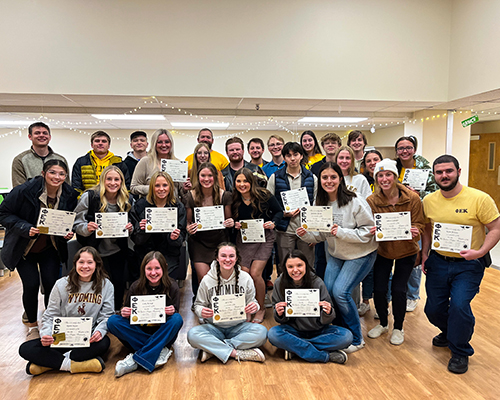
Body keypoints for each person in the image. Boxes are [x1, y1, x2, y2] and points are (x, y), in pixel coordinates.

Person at [422, 155, 500, 374]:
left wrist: (481, 251)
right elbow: (428, 228)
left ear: (458, 171)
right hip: (438, 261)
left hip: (468, 264)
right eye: (439, 172)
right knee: (433, 309)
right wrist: (425, 253)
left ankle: (460, 351)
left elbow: (495, 228)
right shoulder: (429, 201)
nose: (444, 176)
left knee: (458, 306)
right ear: (434, 175)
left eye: (448, 171)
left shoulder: (479, 199)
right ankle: (450, 332)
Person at [296, 162, 377, 353]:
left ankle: (357, 339)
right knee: (329, 291)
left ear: (340, 179)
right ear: (320, 180)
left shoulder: (355, 200)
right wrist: (304, 234)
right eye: (325, 177)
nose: (329, 181)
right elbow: (321, 235)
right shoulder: (320, 203)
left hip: (361, 252)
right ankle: (341, 331)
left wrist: (340, 232)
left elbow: (368, 232)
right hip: (336, 253)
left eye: (333, 177)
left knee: (341, 292)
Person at [0, 160, 77, 340]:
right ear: (43, 173)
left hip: (50, 247)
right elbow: (3, 213)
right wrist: (24, 227)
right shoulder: (24, 191)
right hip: (24, 248)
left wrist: (67, 232)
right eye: (52, 172)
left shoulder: (69, 194)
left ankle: (50, 324)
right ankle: (33, 326)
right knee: (31, 284)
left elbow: (68, 218)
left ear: (66, 177)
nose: (57, 177)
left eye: (61, 174)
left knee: (52, 286)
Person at [19, 246, 114, 375]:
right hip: (61, 336)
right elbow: (50, 314)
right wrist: (46, 334)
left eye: (90, 262)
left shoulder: (106, 285)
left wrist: (99, 331)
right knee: (25, 349)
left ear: (97, 265)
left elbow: (107, 315)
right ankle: (75, 365)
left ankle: (49, 364)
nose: (85, 266)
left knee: (104, 343)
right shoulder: (61, 284)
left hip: (87, 337)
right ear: (75, 264)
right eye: (81, 262)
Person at [366, 159, 425, 345]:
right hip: (383, 251)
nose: (384, 179)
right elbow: (368, 225)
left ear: (395, 176)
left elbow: (420, 224)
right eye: (380, 175)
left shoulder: (412, 198)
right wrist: (372, 231)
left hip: (406, 251)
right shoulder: (372, 201)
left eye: (388, 175)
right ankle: (383, 323)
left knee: (399, 290)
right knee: (379, 289)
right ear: (376, 178)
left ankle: (398, 327)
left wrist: (415, 232)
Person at [187, 243, 268, 363]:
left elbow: (253, 302)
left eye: (231, 256)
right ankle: (236, 353)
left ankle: (214, 350)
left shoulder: (245, 278)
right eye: (223, 256)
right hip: (214, 327)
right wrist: (201, 311)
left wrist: (254, 307)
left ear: (236, 258)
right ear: (217, 258)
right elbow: (198, 305)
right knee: (192, 334)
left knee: (262, 332)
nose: (227, 259)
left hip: (239, 326)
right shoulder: (207, 280)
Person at [107, 251, 183, 377]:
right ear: (143, 269)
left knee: (177, 319)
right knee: (113, 321)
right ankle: (158, 351)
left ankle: (136, 358)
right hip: (140, 331)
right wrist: (124, 312)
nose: (153, 273)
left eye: (157, 268)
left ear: (164, 268)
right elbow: (126, 314)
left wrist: (172, 311)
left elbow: (174, 319)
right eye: (149, 269)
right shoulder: (135, 286)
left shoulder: (172, 286)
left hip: (161, 333)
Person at [268, 250, 352, 363]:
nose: (295, 270)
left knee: (346, 336)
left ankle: (295, 348)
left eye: (299, 265)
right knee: (273, 334)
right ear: (285, 268)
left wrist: (328, 312)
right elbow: (278, 318)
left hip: (318, 330)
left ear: (306, 266)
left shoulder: (317, 282)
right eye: (290, 267)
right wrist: (279, 313)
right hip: (293, 330)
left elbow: (329, 316)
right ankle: (324, 356)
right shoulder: (279, 283)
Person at [73, 165, 134, 310]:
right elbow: (75, 222)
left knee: (118, 282)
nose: (113, 183)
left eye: (117, 179)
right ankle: (95, 313)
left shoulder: (128, 199)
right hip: (94, 249)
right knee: (97, 283)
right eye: (109, 179)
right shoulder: (90, 196)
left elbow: (134, 224)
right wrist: (86, 228)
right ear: (102, 180)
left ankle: (116, 311)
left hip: (118, 249)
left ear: (121, 182)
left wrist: (130, 229)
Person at [394, 136, 439, 312]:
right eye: (401, 148)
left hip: (415, 219)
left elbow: (434, 192)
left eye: (408, 147)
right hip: (395, 220)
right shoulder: (393, 167)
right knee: (394, 258)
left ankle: (412, 295)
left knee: (414, 258)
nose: (404, 151)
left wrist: (415, 195)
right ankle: (397, 293)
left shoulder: (424, 168)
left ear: (414, 149)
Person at [232, 168, 283, 323]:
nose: (242, 184)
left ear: (251, 182)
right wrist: (234, 224)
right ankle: (248, 307)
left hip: (264, 239)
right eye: (239, 181)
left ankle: (260, 308)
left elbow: (279, 212)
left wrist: (273, 222)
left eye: (245, 181)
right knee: (244, 274)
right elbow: (229, 218)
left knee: (255, 274)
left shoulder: (264, 195)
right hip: (244, 240)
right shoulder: (234, 199)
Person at [266, 142, 317, 269]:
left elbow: (316, 204)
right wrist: (282, 213)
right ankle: (285, 289)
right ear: (284, 158)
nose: (292, 158)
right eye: (288, 155)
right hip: (284, 229)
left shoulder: (312, 178)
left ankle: (306, 289)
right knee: (284, 264)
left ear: (301, 156)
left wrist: (315, 233)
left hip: (306, 229)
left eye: (296, 154)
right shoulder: (275, 177)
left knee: (307, 265)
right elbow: (267, 203)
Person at [184, 162, 234, 284]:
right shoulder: (190, 196)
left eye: (210, 176)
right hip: (199, 243)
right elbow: (188, 222)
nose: (206, 179)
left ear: (215, 177)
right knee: (205, 281)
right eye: (203, 175)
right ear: (198, 177)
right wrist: (188, 228)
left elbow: (229, 220)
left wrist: (231, 222)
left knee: (221, 280)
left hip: (220, 242)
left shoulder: (225, 195)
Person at [132, 171, 187, 280]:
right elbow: (136, 239)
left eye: (165, 185)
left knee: (168, 291)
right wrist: (142, 230)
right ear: (152, 187)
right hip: (144, 257)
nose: (161, 189)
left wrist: (174, 238)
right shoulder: (140, 205)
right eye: (157, 185)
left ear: (170, 187)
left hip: (170, 258)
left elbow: (181, 237)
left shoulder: (178, 206)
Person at [357, 149, 383, 316]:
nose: (372, 163)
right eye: (369, 161)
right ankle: (366, 301)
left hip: (387, 233)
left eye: (376, 159)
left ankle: (384, 304)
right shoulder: (363, 181)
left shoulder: (388, 182)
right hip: (368, 229)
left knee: (384, 271)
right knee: (368, 270)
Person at [72, 130, 130, 196]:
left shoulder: (118, 163)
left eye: (104, 141)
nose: (100, 143)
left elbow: (126, 185)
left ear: (108, 146)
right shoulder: (81, 162)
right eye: (97, 141)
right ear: (92, 145)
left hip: (113, 200)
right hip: (89, 200)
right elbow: (76, 186)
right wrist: (83, 199)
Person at [131, 129, 186, 199]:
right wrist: (153, 189)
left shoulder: (178, 163)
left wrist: (185, 189)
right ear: (154, 144)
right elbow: (133, 187)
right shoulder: (145, 161)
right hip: (150, 207)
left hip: (172, 207)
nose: (164, 145)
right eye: (160, 142)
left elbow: (182, 193)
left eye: (167, 142)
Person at [12, 122, 69, 187]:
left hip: (57, 197)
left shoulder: (61, 159)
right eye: (37, 133)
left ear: (49, 137)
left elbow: (66, 185)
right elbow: (19, 189)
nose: (41, 135)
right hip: (29, 197)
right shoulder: (20, 160)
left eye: (45, 133)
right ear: (30, 137)